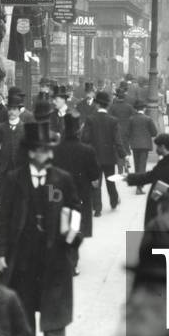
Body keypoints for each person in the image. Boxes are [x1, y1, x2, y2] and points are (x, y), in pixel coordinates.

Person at [0, 121, 82, 336]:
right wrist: (0, 252)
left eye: (49, 150)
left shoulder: (62, 179)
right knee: (23, 305)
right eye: (42, 150)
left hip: (55, 254)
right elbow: (4, 218)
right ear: (32, 152)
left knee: (55, 306)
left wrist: (72, 235)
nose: (47, 155)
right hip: (22, 254)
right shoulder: (14, 180)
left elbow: (76, 207)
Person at [50, 113, 100, 274]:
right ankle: (72, 263)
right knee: (76, 227)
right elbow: (94, 178)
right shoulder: (87, 150)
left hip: (58, 193)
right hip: (80, 195)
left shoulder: (55, 150)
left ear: (63, 128)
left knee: (60, 225)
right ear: (79, 130)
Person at [126, 133, 169, 228]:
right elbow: (150, 176)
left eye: (158, 147)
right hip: (158, 210)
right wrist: (129, 178)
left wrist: (163, 194)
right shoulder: (164, 162)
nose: (156, 150)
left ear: (163, 147)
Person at [81, 90, 126, 215]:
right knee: (110, 180)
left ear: (97, 104)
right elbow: (118, 141)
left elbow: (85, 139)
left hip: (94, 157)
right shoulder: (113, 121)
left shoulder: (90, 119)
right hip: (109, 157)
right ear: (108, 105)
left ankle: (97, 209)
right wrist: (124, 155)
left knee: (96, 183)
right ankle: (113, 201)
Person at [0, 93, 26, 204]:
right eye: (10, 109)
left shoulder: (24, 128)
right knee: (3, 200)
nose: (11, 112)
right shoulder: (1, 127)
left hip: (18, 167)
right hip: (3, 167)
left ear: (19, 111)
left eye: (14, 109)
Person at [128, 101, 158, 192]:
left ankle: (138, 184)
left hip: (135, 145)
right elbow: (154, 132)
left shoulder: (131, 119)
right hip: (145, 145)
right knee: (142, 166)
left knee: (137, 165)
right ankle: (139, 187)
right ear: (144, 108)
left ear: (136, 109)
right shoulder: (148, 119)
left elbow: (128, 132)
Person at [109, 87, 136, 162]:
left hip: (116, 130)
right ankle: (126, 165)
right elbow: (134, 117)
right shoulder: (129, 107)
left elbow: (109, 118)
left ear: (117, 97)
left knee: (118, 148)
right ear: (124, 97)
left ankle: (120, 168)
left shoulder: (112, 107)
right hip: (126, 131)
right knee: (126, 147)